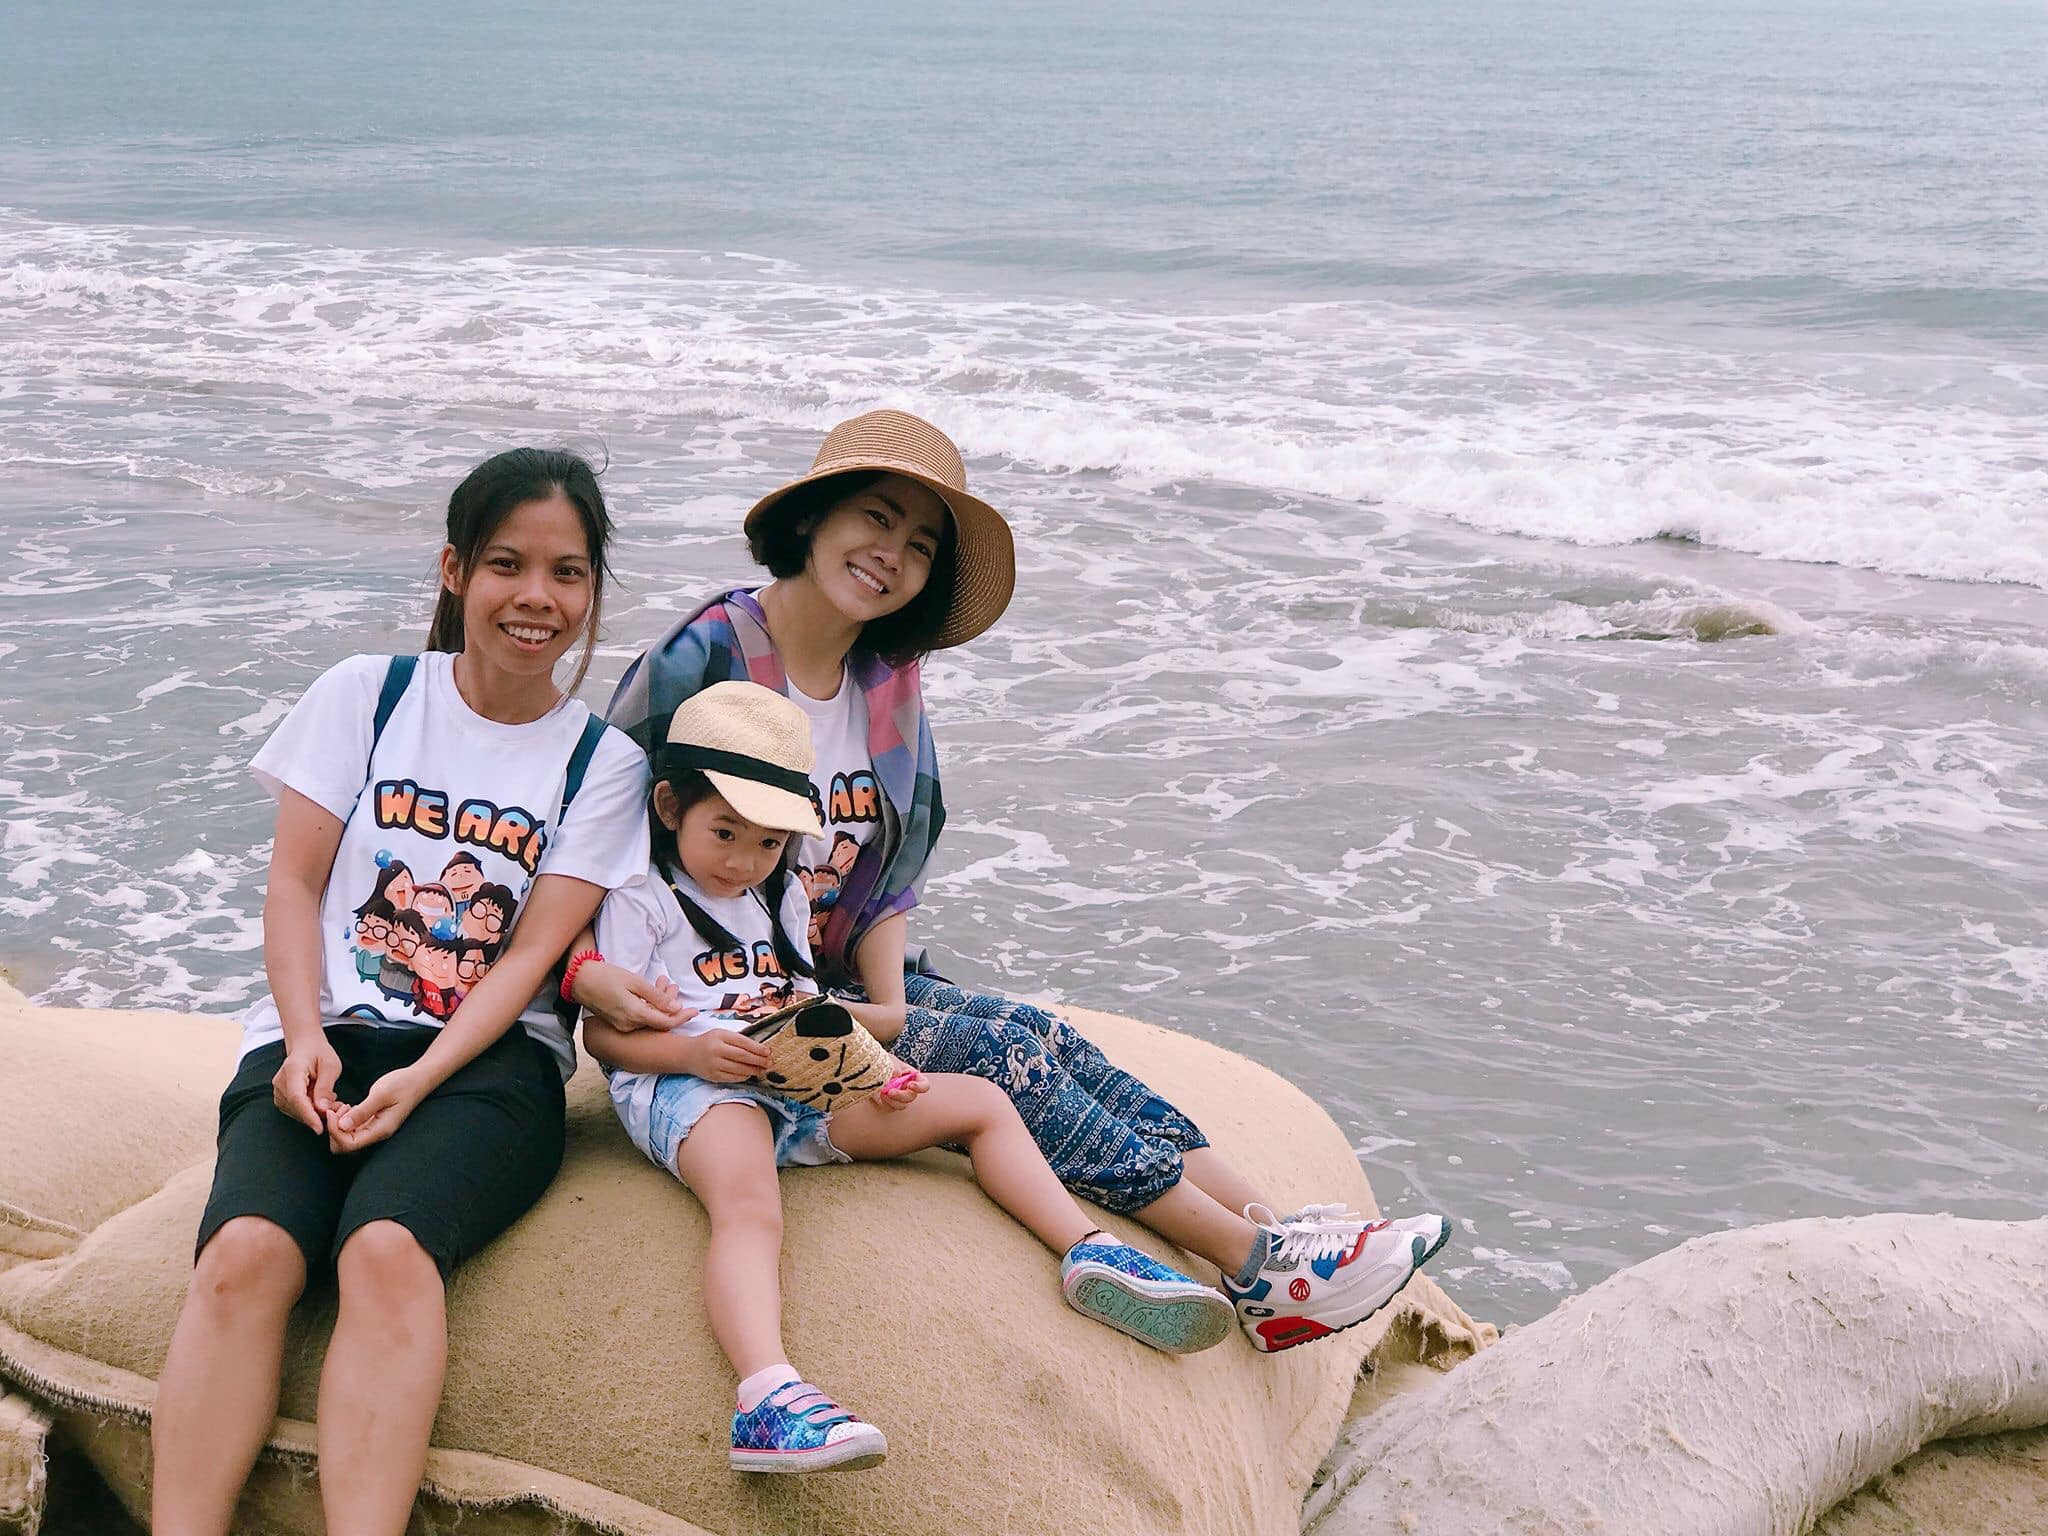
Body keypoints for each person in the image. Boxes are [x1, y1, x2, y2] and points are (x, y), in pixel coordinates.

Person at [570, 409, 1448, 1355]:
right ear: (813, 517)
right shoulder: (704, 657)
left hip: (837, 982)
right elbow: (594, 835)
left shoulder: (887, 678)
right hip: (732, 998)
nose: (891, 554)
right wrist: (587, 976)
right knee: (998, 1057)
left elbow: (892, 872)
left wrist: (890, 1007)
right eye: (876, 517)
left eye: (920, 545)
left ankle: (1269, 1223)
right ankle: (1248, 1262)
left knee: (1041, 1034)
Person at [150, 449, 650, 1536]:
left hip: (486, 1068)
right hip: (321, 1037)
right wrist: (300, 1041)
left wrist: (421, 1078)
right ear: (455, 570)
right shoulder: (365, 696)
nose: (536, 596)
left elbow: (528, 959)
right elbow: (293, 884)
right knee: (243, 1255)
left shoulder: (602, 764)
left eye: (566, 573)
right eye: (507, 564)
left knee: (383, 1250)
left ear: (591, 592)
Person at [582, 681, 1237, 1474]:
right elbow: (604, 1036)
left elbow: (807, 1008)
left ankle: (1088, 1251)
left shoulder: (776, 895)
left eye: (766, 843)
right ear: (669, 807)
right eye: (724, 833)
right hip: (695, 1086)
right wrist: (691, 1056)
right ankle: (767, 1396)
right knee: (749, 1204)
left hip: (797, 1078)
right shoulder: (642, 902)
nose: (742, 860)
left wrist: (871, 1069)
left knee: (981, 1101)